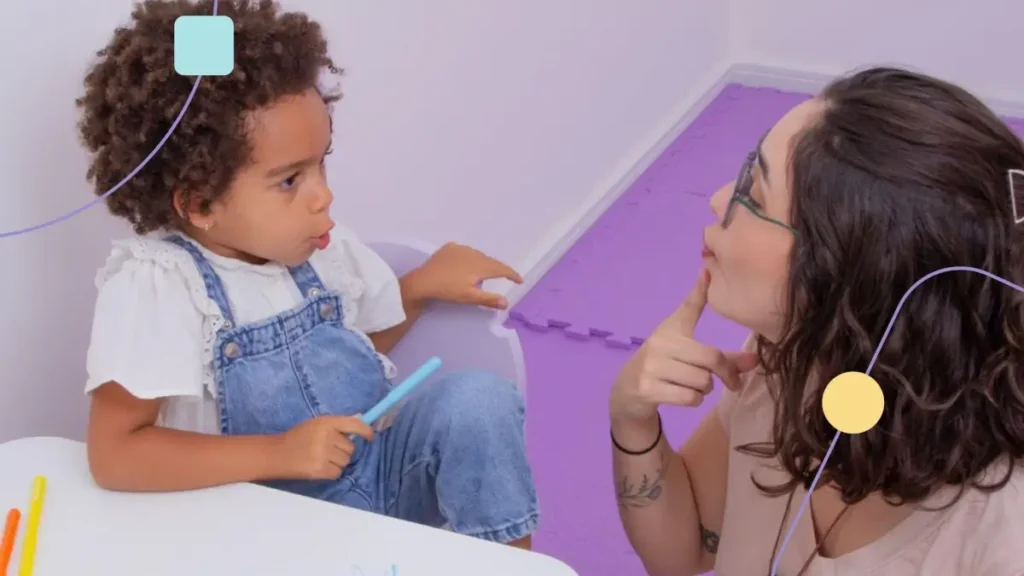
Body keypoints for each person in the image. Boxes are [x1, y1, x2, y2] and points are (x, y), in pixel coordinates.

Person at [78, 0, 537, 549]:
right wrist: (278, 453)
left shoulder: (318, 248)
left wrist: (416, 291)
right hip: (261, 530)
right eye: (290, 180)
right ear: (200, 203)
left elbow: (347, 351)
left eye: (322, 162)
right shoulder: (159, 286)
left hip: (375, 477)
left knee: (478, 400)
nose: (324, 194)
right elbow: (115, 455)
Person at [609, 67, 1024, 575]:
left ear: (846, 275)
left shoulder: (1003, 532)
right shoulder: (784, 361)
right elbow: (686, 550)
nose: (720, 200)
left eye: (755, 196)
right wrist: (632, 418)